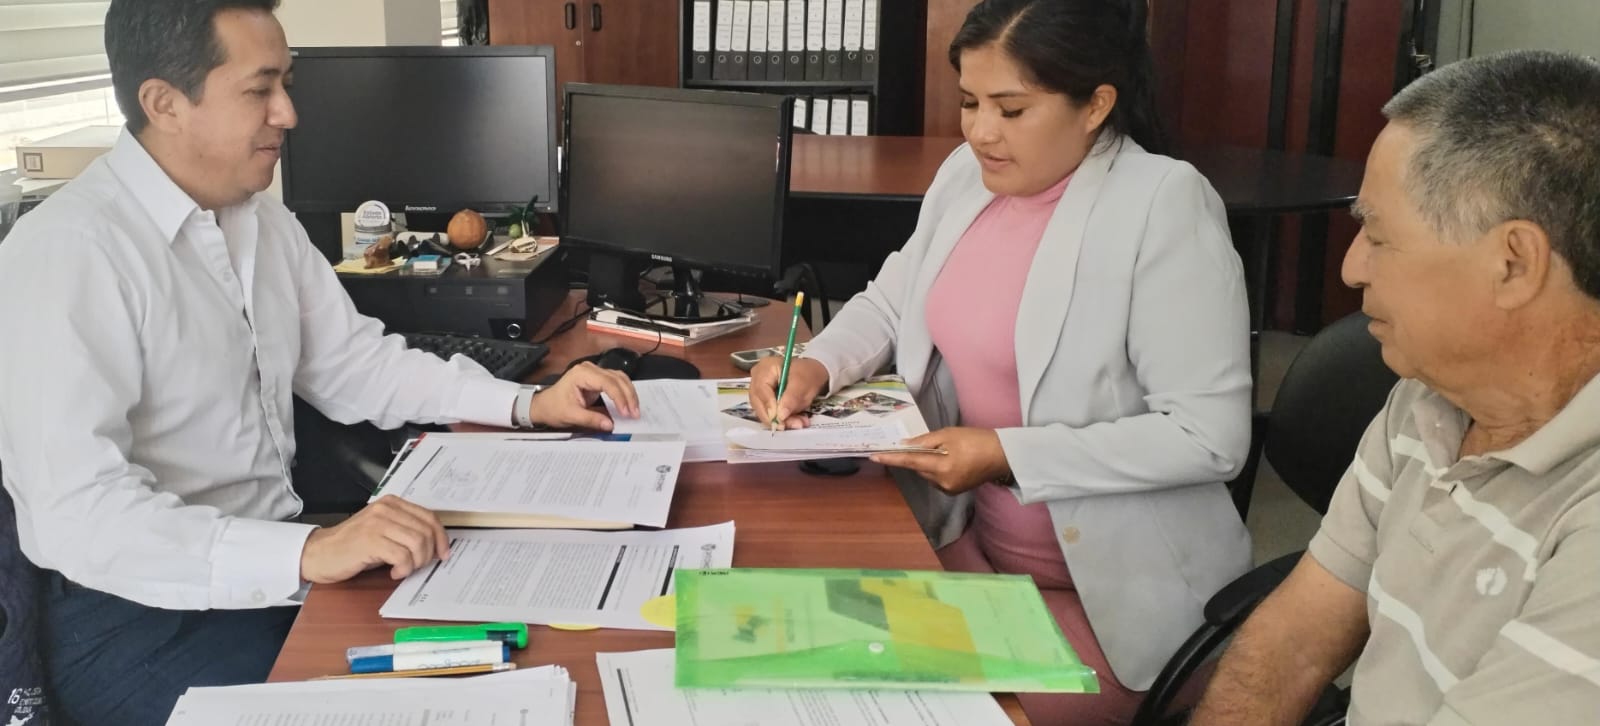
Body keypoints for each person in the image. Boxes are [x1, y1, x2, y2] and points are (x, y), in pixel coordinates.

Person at [0, 1, 639, 723]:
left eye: (286, 84)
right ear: (164, 103)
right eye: (260, 89)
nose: (288, 113)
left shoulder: (258, 219)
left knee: (528, 653)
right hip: (139, 616)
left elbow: (355, 365)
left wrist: (526, 404)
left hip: (279, 569)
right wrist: (307, 553)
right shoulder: (66, 254)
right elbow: (79, 516)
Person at [748, 0, 1253, 722]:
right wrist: (817, 362)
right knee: (801, 635)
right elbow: (895, 298)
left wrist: (1005, 455)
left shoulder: (1162, 204)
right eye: (970, 103)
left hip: (1116, 607)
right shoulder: (968, 176)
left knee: (901, 704)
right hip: (976, 549)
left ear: (1095, 105)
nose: (981, 131)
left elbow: (1209, 435)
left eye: (1011, 110)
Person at [1191, 50, 1600, 726]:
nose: (1352, 269)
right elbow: (1292, 643)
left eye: (1377, 236)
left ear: (1513, 263)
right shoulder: (1433, 397)